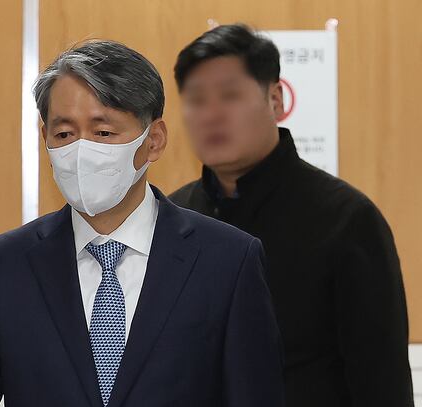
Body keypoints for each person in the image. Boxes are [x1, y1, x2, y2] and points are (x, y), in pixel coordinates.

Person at [0, 40, 284, 407]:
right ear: (45, 139)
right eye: (64, 134)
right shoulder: (6, 265)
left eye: (103, 132)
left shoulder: (227, 260)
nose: (81, 151)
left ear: (154, 141)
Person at [169, 24, 414, 407]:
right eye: (196, 99)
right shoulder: (173, 219)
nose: (211, 114)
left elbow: (382, 382)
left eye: (230, 95)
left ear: (276, 99)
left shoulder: (347, 219)